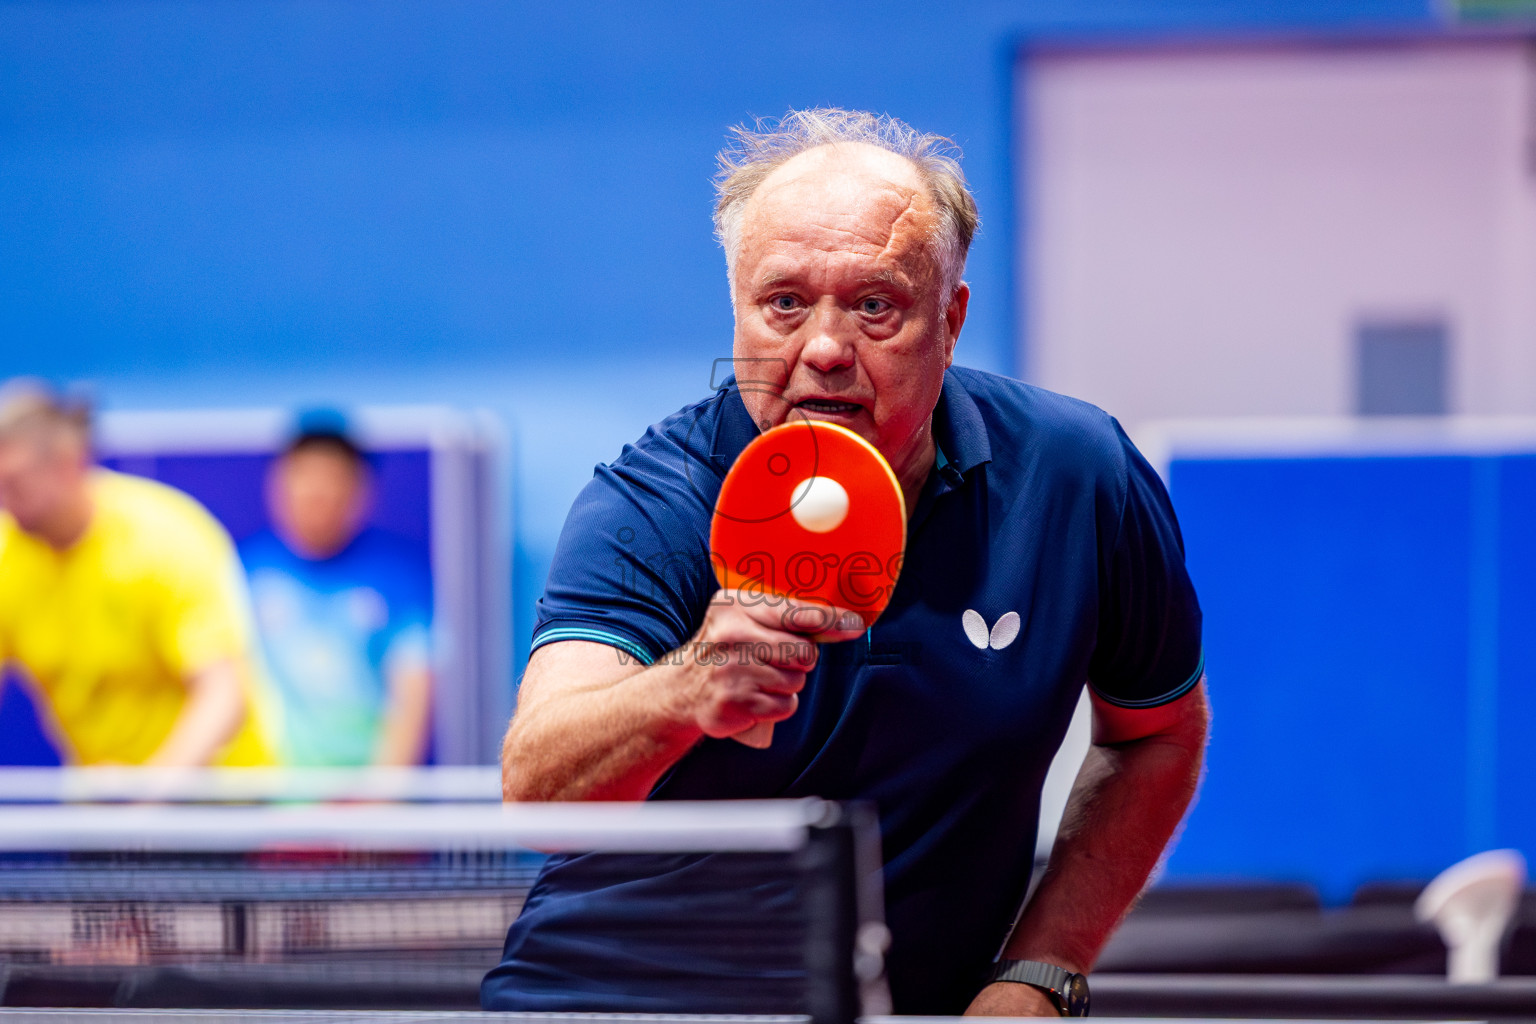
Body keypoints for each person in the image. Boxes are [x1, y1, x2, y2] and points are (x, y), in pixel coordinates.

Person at [484, 108, 1209, 1017]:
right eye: (784, 303)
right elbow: (538, 791)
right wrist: (683, 689)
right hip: (617, 1000)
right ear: (738, 311)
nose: (824, 349)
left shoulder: (1075, 474)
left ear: (951, 321)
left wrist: (1039, 972)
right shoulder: (652, 504)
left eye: (875, 306)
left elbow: (1157, 736)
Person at [0, 380, 268, 766]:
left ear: (66, 463)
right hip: (106, 805)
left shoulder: (165, 538)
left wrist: (149, 798)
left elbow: (223, 695)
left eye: (16, 484)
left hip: (222, 803)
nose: (7, 503)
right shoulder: (8, 556)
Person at [238, 418, 433, 766]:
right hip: (268, 793)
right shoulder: (242, 572)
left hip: (362, 796)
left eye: (332, 478)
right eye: (303, 476)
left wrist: (382, 793)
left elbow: (413, 691)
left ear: (361, 492)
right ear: (278, 486)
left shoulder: (399, 579)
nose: (316, 492)